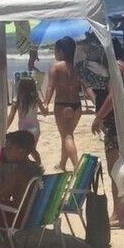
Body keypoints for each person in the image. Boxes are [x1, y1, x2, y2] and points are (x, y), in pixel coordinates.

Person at [90, 40, 124, 228]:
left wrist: (98, 118)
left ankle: (118, 214)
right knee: (123, 168)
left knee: (116, 169)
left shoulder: (115, 68)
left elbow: (114, 96)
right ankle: (122, 211)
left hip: (120, 121)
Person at [41, 36, 83, 172]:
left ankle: (77, 167)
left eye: (56, 50)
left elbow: (50, 86)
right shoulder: (77, 67)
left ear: (61, 52)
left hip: (62, 105)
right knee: (67, 134)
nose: (54, 53)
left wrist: (46, 103)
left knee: (67, 136)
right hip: (77, 105)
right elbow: (85, 86)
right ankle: (62, 164)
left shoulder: (56, 67)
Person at [6, 77, 44, 165]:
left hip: (23, 129)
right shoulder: (36, 100)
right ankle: (38, 165)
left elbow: (11, 116)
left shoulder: (17, 101)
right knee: (32, 149)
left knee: (26, 150)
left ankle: (37, 166)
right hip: (35, 128)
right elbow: (45, 112)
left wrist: (5, 127)